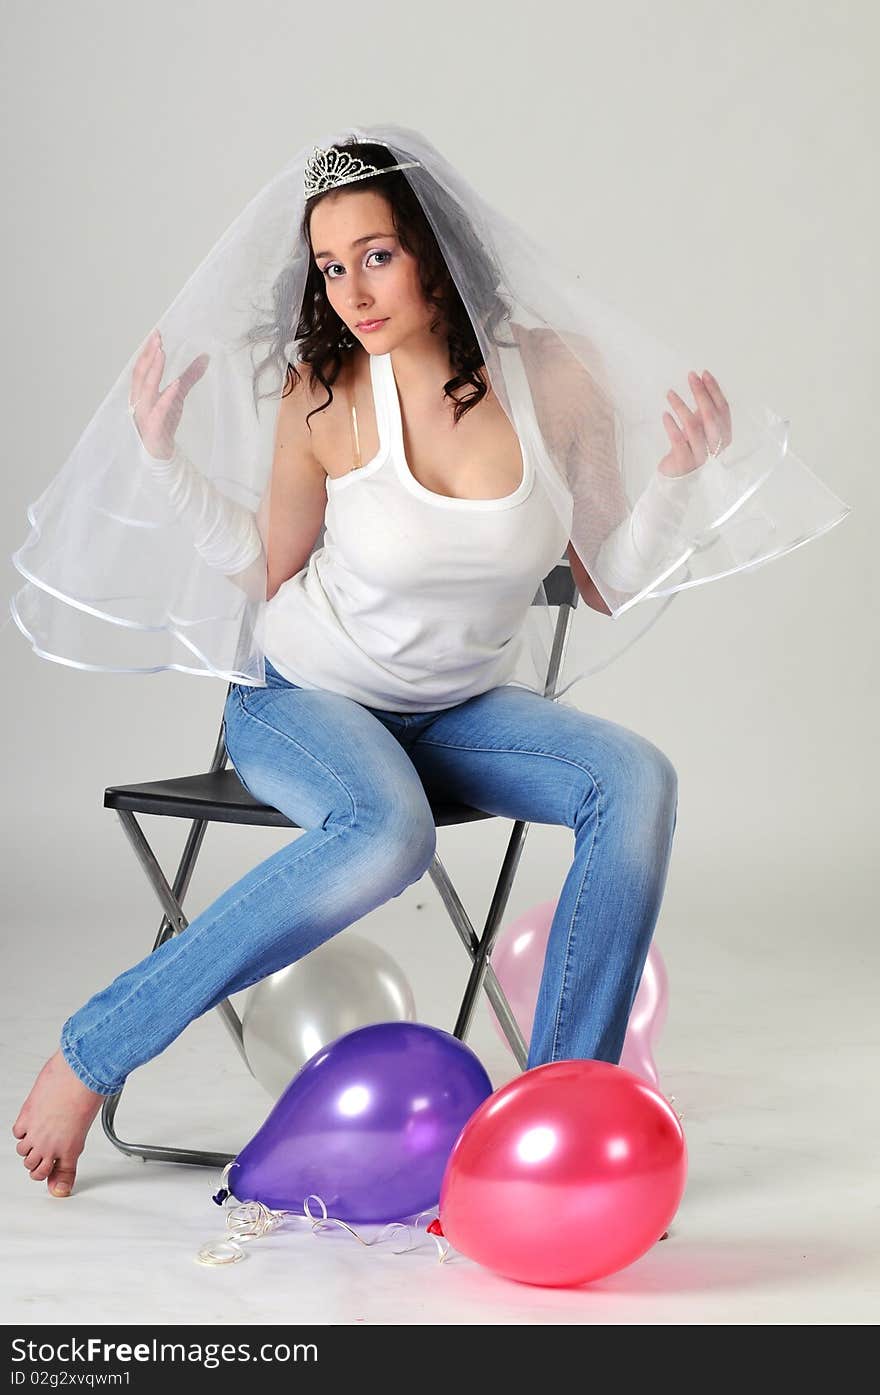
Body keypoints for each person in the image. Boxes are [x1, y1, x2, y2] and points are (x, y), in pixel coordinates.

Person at [10, 130, 850, 1198]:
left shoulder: (551, 375)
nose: (352, 289)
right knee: (386, 831)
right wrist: (164, 463)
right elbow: (266, 572)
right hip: (302, 701)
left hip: (454, 714)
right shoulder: (324, 393)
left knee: (634, 779)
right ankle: (96, 1049)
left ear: (433, 249)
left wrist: (678, 480)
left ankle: (550, 1122)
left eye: (375, 255)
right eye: (329, 266)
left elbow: (600, 579)